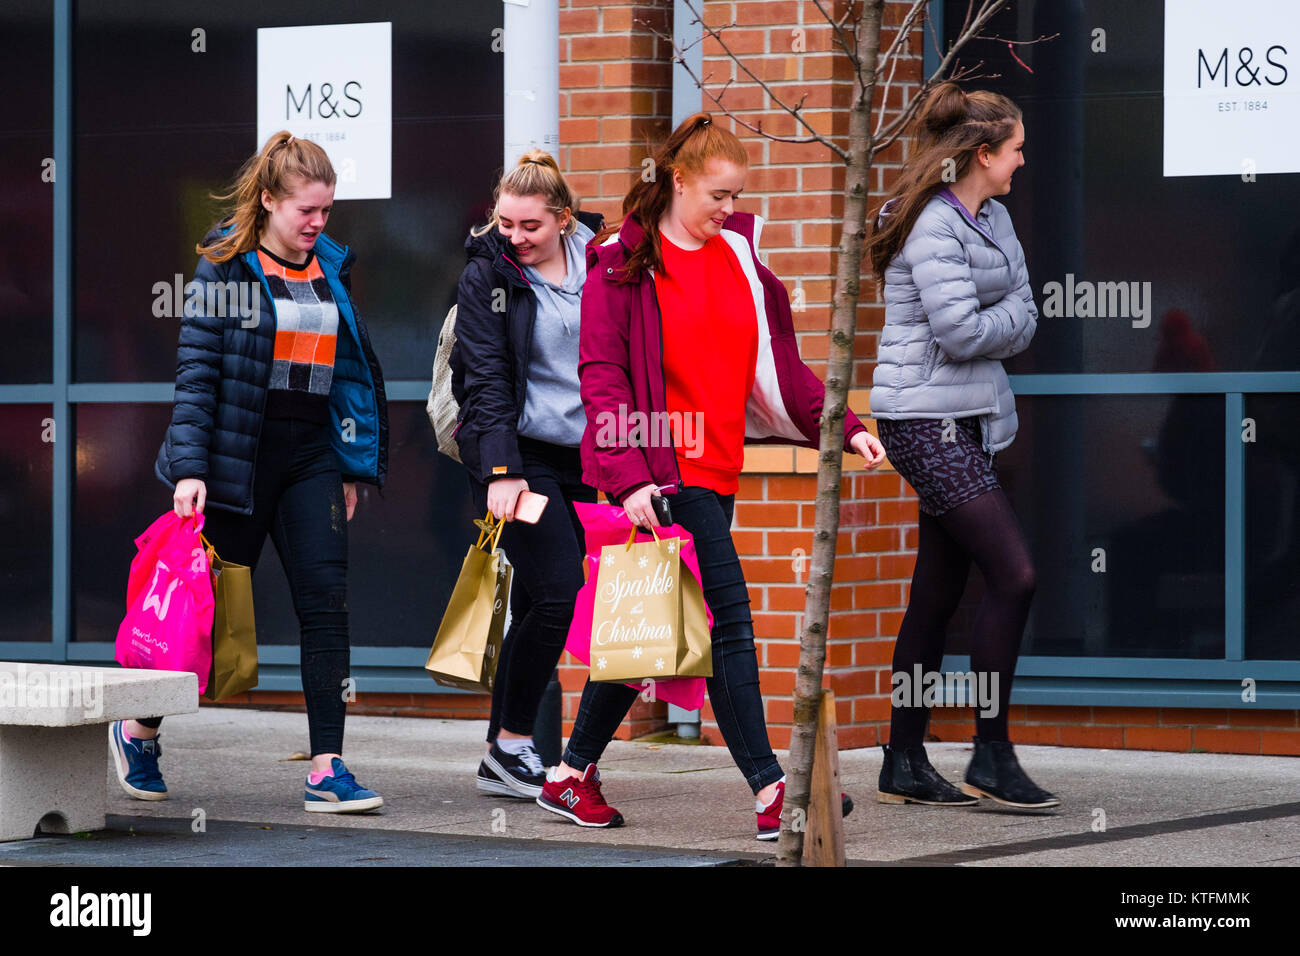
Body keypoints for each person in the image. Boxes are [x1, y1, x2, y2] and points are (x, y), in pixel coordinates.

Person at [534, 113, 887, 840]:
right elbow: (600, 378)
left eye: (738, 195)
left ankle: (569, 775)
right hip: (661, 475)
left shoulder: (738, 258)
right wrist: (629, 478)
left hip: (717, 468)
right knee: (729, 620)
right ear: (679, 180)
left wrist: (844, 425)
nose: (730, 208)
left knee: (651, 627)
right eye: (719, 193)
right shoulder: (620, 262)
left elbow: (780, 366)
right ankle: (772, 790)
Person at [110, 131, 389, 814]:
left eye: (327, 211)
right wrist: (189, 469)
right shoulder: (225, 267)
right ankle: (139, 727)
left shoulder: (330, 265)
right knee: (202, 614)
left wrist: (352, 462)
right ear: (268, 200)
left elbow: (347, 369)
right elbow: (198, 375)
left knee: (326, 602)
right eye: (307, 211)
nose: (319, 224)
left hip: (311, 453)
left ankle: (328, 766)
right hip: (240, 456)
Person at [866, 82, 1058, 810]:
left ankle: (904, 759)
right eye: (1014, 151)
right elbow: (964, 333)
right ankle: (991, 751)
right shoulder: (931, 226)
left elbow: (1028, 314)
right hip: (922, 422)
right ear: (982, 153)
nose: (1020, 163)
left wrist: (1003, 315)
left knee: (938, 592)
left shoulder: (994, 216)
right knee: (1015, 574)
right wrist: (1004, 314)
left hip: (968, 418)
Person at [450, 151, 605, 798]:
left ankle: (502, 753)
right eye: (504, 223)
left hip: (583, 456)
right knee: (561, 588)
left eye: (529, 226)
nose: (513, 236)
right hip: (516, 455)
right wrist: (502, 471)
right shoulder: (487, 272)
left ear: (564, 220)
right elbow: (484, 379)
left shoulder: (604, 263)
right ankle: (514, 742)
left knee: (546, 599)